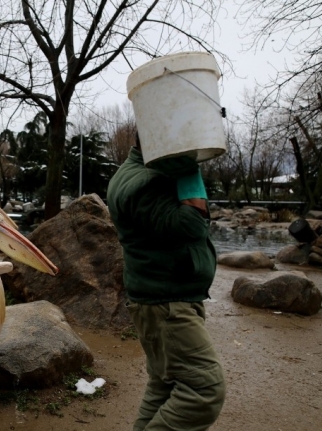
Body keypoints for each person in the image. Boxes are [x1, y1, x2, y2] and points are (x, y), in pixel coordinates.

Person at [106, 135, 226, 431]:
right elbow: (192, 225)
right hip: (167, 304)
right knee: (204, 390)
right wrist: (190, 166)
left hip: (164, 299)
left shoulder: (141, 171)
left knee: (163, 385)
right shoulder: (145, 182)